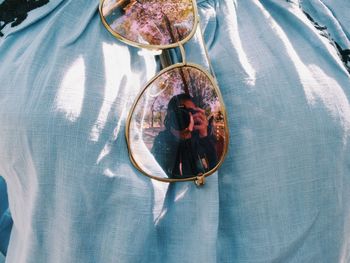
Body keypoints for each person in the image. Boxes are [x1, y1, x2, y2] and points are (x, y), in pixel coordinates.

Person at [0, 0, 350, 262]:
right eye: (179, 116)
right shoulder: (22, 24)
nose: (188, 121)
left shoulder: (323, 17)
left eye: (193, 115)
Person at [151, 93, 218, 179]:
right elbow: (159, 173)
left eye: (190, 111)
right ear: (169, 116)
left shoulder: (202, 139)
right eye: (177, 113)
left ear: (196, 114)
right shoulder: (162, 140)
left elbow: (214, 172)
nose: (181, 116)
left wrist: (204, 137)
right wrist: (176, 139)